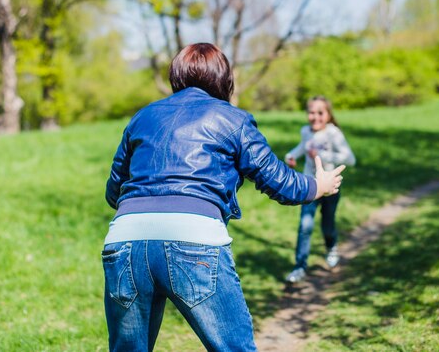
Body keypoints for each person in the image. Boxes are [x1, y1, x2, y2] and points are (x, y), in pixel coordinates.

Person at [102, 43, 346, 351]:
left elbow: (115, 191)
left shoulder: (141, 117)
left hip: (125, 239)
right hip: (195, 239)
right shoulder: (234, 120)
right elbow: (280, 182)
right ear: (223, 78)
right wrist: (317, 186)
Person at [284, 96, 356, 283]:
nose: (315, 117)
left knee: (327, 224)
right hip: (310, 185)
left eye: (320, 113)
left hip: (330, 188)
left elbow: (350, 158)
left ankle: (331, 248)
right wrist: (291, 156)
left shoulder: (333, 133)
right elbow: (302, 147)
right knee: (305, 226)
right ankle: (300, 267)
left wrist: (322, 154)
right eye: (311, 112)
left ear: (328, 114)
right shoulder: (305, 131)